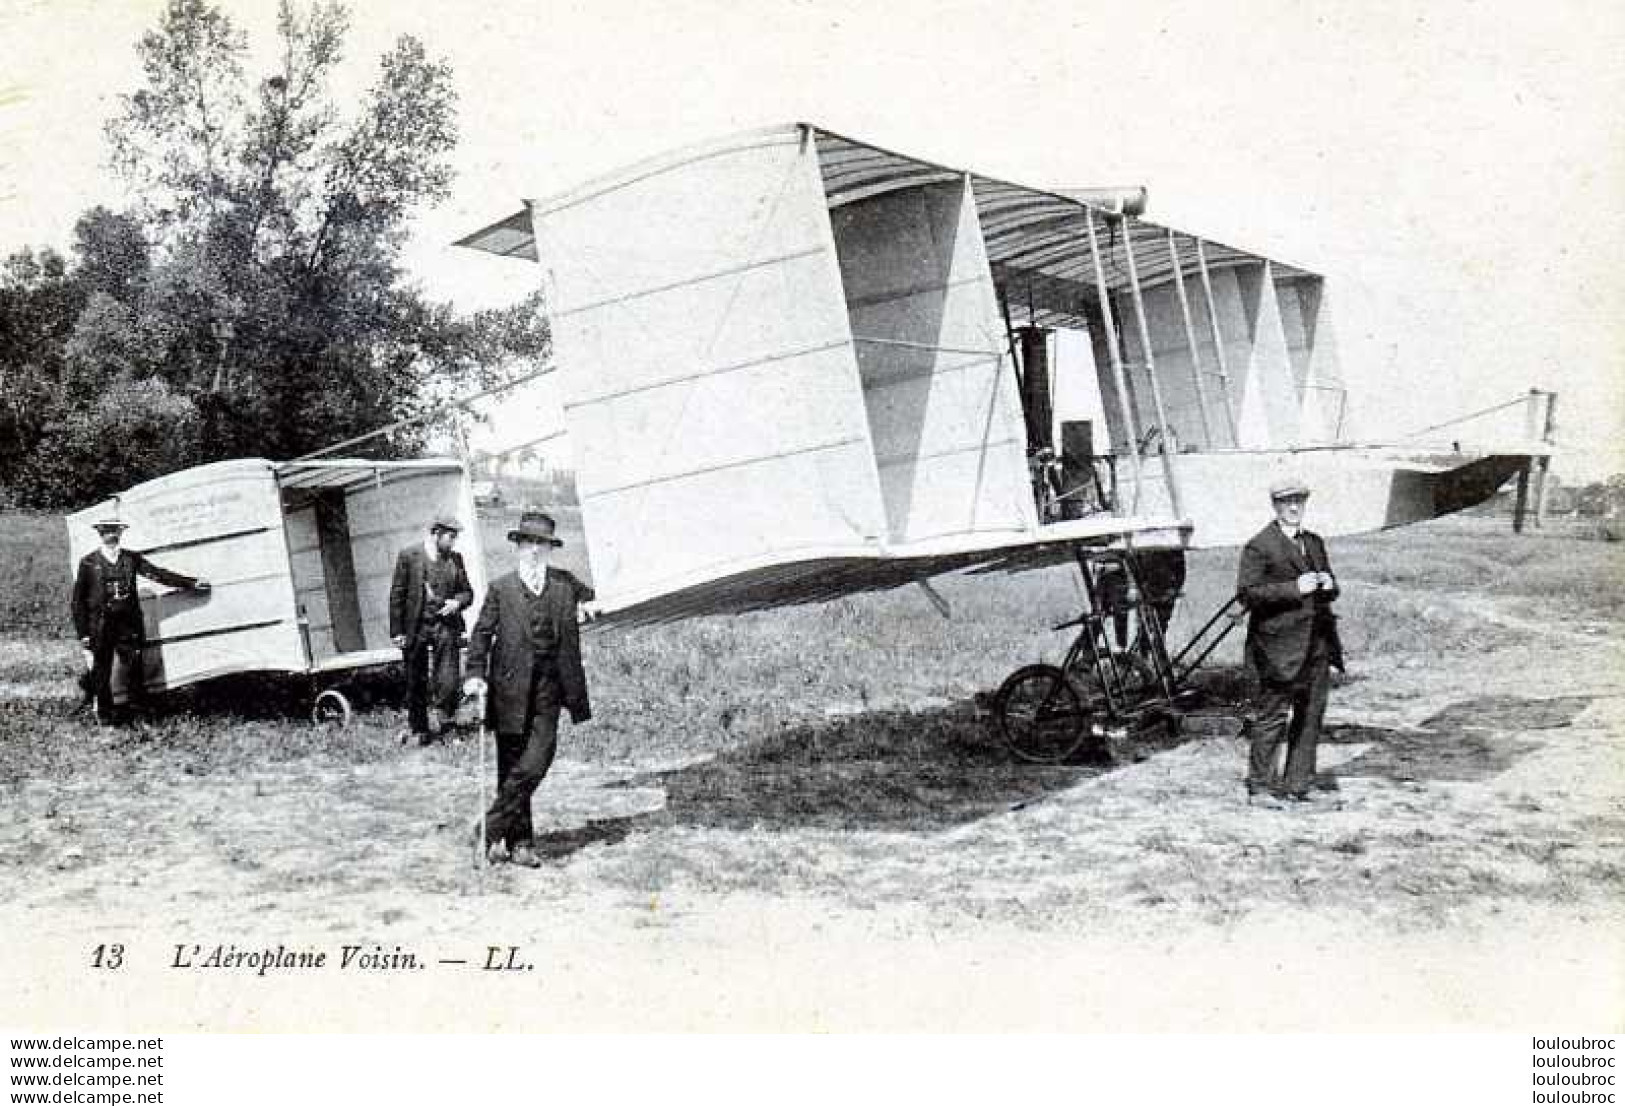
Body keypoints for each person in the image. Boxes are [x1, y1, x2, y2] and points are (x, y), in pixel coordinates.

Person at [463, 510, 594, 868]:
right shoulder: (501, 589)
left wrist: (588, 605)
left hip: (550, 689)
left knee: (537, 760)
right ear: (517, 547)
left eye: (542, 544)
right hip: (508, 691)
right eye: (529, 543)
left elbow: (594, 596)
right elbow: (481, 635)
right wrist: (474, 674)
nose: (535, 550)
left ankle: (487, 828)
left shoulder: (564, 585)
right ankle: (520, 843)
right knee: (511, 767)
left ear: (550, 549)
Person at [1235, 477, 1344, 805]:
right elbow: (1247, 593)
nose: (1294, 508)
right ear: (1275, 506)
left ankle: (1299, 784)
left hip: (1317, 646)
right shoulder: (1260, 545)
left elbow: (1332, 590)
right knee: (1272, 716)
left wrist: (1328, 583)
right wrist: (1295, 588)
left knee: (1311, 716)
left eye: (1299, 501)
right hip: (1278, 648)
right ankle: (1260, 787)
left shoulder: (1314, 542)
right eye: (1286, 502)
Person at [70, 515, 210, 726]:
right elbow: (78, 601)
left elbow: (157, 574)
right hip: (100, 626)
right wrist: (83, 634)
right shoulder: (89, 562)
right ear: (100, 534)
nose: (111, 535)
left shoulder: (131, 558)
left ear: (121, 533)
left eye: (115, 531)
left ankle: (139, 717)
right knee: (102, 673)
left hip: (128, 624)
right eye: (107, 531)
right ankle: (107, 719)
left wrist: (190, 583)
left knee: (135, 670)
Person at [387, 515, 474, 744]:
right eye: (450, 537)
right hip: (416, 628)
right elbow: (397, 595)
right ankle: (419, 729)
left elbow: (468, 593)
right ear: (436, 533)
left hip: (446, 628)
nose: (453, 542)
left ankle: (448, 726)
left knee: (448, 679)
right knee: (415, 680)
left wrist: (457, 603)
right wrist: (397, 631)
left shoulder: (456, 559)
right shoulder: (409, 556)